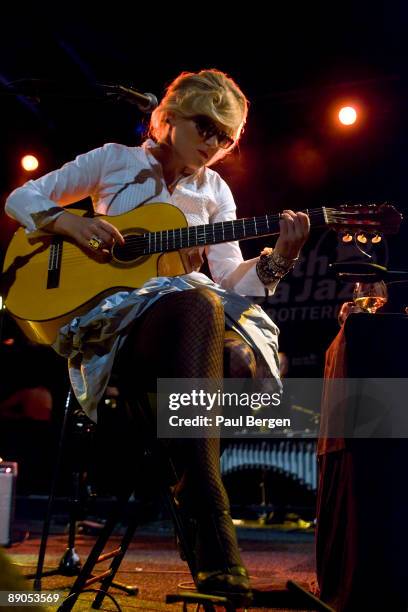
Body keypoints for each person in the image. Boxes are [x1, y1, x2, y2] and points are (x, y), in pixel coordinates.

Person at [5, 69, 310, 604]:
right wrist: (70, 224)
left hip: (180, 328)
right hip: (110, 325)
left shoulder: (216, 191)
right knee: (199, 306)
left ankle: (201, 514)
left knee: (204, 303)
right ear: (167, 118)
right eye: (206, 126)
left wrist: (280, 260)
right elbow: (21, 198)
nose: (214, 143)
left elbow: (234, 281)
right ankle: (211, 526)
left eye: (226, 137)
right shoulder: (112, 161)